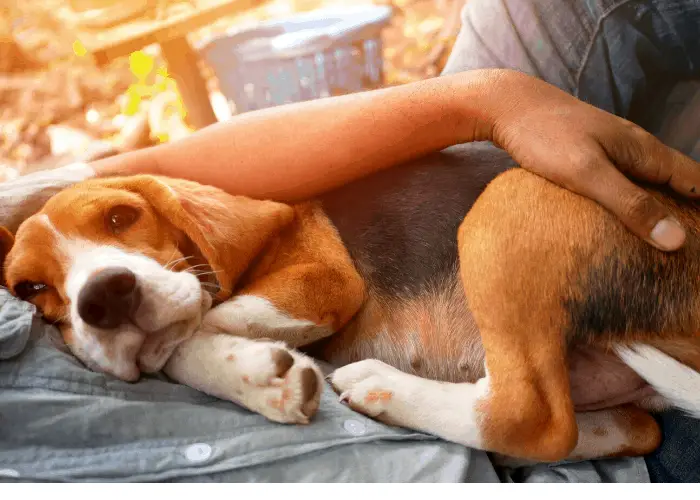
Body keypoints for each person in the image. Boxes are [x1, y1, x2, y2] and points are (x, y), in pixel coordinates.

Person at [1, 0, 699, 482]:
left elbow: (322, 289)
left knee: (516, 176)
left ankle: (533, 408)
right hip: (595, 417)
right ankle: (532, 415)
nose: (90, 288)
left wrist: (490, 100)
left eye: (121, 221)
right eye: (35, 287)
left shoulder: (237, 243)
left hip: (619, 287)